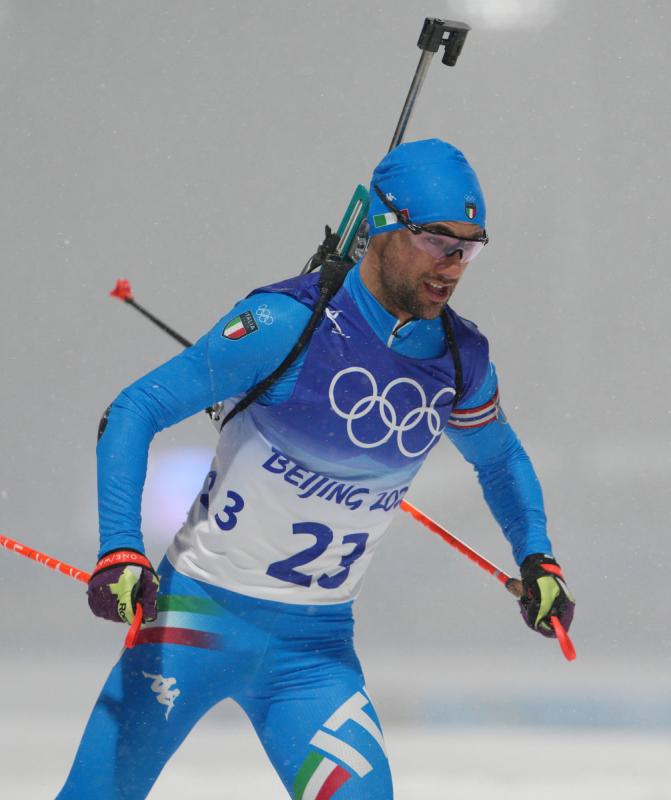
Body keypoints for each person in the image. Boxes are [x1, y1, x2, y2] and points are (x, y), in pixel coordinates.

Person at [58, 139, 574, 799]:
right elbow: (135, 410)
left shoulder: (458, 358)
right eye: (437, 240)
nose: (453, 264)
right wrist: (120, 550)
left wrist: (538, 559)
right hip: (189, 622)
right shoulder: (286, 322)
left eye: (469, 246)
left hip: (313, 653)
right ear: (384, 226)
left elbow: (499, 459)